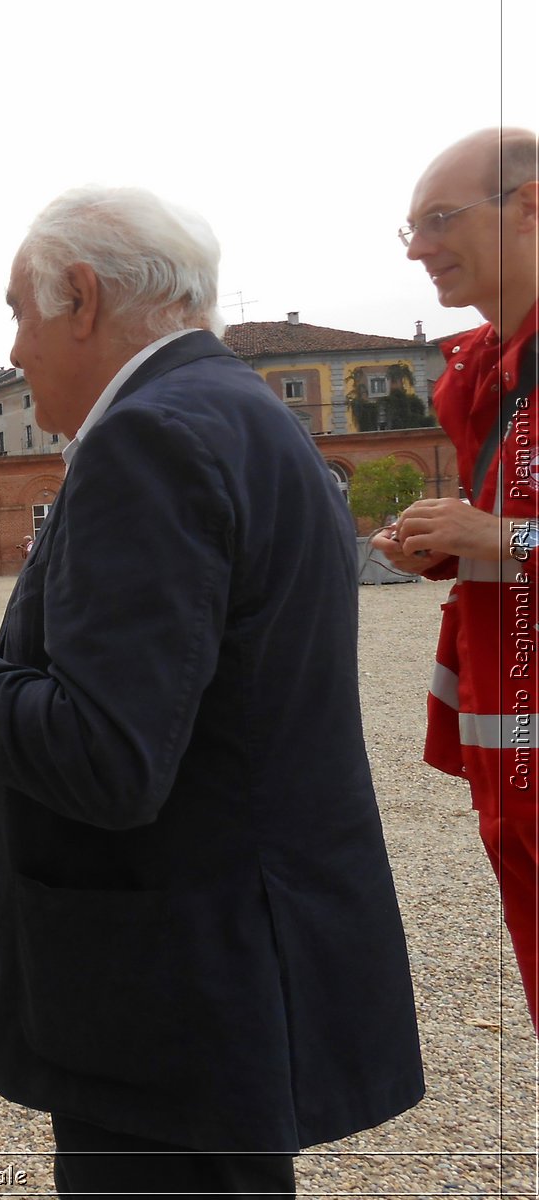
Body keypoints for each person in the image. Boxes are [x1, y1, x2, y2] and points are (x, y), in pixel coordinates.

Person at [0, 185, 423, 1193]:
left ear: (84, 298)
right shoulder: (251, 423)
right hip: (235, 962)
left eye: (20, 312)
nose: (14, 351)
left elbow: (106, 757)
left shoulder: (147, 441)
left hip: (168, 991)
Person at [371, 127, 539, 1029]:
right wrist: (446, 542)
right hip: (511, 766)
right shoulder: (488, 374)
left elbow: (518, 531)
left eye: (439, 220)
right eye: (410, 230)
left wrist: (503, 533)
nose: (420, 249)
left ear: (531, 206)